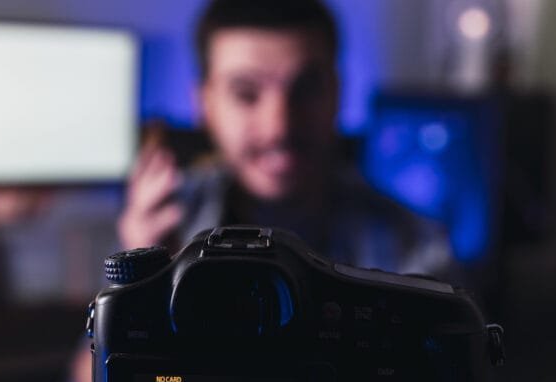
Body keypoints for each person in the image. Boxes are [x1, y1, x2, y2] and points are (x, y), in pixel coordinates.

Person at [117, 0, 457, 280]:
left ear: (337, 93)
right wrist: (145, 288)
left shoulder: (417, 247)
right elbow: (98, 347)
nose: (278, 127)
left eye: (305, 90)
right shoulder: (159, 230)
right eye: (246, 94)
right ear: (204, 104)